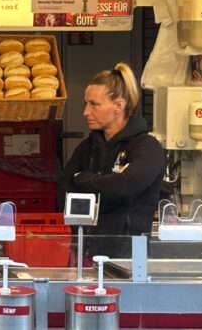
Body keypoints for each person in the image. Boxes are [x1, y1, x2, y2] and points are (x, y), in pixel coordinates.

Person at [59, 62, 165, 255]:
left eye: (94, 104)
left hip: (130, 259)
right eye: (86, 103)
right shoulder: (87, 148)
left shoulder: (147, 148)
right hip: (87, 254)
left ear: (118, 106)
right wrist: (109, 182)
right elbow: (65, 191)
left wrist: (84, 179)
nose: (85, 112)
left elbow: (126, 187)